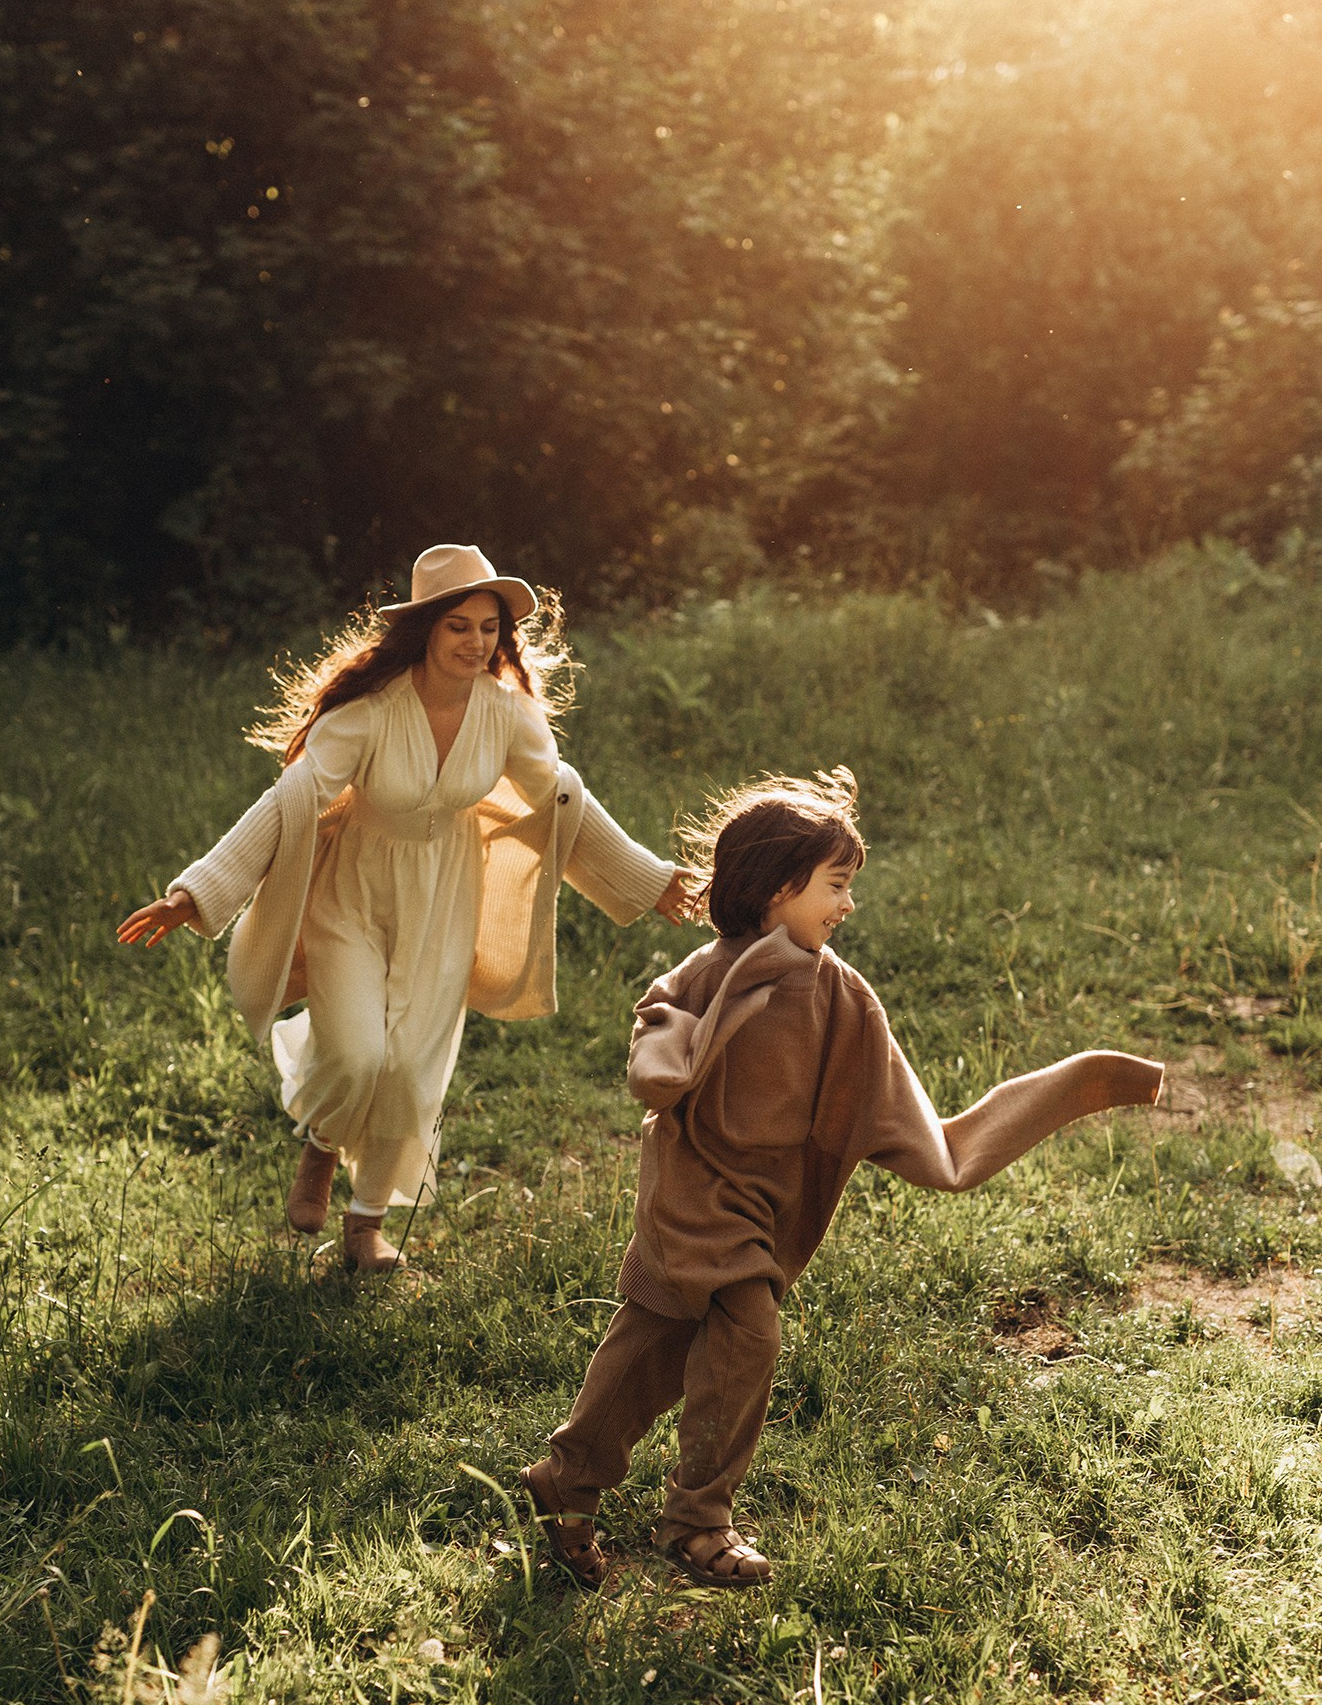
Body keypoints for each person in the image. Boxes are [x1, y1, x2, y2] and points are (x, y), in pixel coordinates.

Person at [521, 769, 1163, 1591]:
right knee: (747, 1334)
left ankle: (566, 1482)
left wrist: (1080, 1085)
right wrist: (668, 1055)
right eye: (836, 885)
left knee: (649, 1345)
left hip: (764, 1201)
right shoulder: (707, 972)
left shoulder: (840, 993)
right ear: (777, 886)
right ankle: (697, 1520)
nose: (846, 905)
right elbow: (659, 1036)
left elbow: (904, 1108)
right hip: (692, 1190)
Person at [119, 544, 687, 1271]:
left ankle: (366, 1224)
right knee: (358, 1051)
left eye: (488, 628)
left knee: (413, 1068)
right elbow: (292, 798)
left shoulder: (506, 714)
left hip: (444, 898)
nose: (475, 642)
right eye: (458, 625)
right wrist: (193, 891)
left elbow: (560, 798)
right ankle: (322, 1145)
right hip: (353, 893)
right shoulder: (370, 710)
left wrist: (647, 876)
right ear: (423, 630)